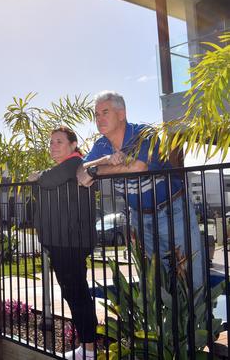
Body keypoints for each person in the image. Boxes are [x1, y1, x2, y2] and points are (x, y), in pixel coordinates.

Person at [76, 90, 204, 290]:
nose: (99, 119)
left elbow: (138, 167)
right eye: (97, 114)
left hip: (172, 211)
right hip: (140, 219)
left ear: (121, 114)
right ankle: (167, 322)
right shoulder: (101, 145)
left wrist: (96, 170)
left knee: (190, 274)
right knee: (156, 280)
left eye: (105, 112)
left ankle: (199, 321)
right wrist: (104, 160)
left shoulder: (144, 134)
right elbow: (80, 172)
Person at [29, 126, 96, 360]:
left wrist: (39, 177)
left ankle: (89, 350)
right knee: (73, 293)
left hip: (70, 241)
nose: (53, 146)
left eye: (58, 142)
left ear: (73, 145)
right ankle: (86, 346)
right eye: (51, 143)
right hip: (62, 241)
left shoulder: (74, 164)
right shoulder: (65, 167)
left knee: (77, 294)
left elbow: (47, 180)